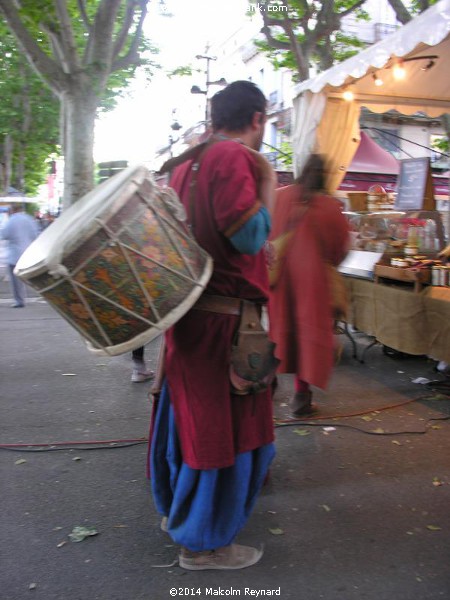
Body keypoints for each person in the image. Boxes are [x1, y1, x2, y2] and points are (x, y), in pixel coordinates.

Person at [149, 80, 277, 570]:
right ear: (258, 118)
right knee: (227, 431)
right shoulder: (235, 158)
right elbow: (248, 236)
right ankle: (204, 544)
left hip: (189, 319)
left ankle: (179, 515)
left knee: (189, 422)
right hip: (227, 326)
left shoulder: (185, 162)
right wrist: (266, 185)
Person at [268, 154, 350, 417]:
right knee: (307, 337)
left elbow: (265, 233)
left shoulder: (280, 197)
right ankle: (301, 398)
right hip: (313, 284)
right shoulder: (330, 206)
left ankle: (265, 385)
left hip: (279, 278)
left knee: (277, 332)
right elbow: (340, 249)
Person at [1, 203, 39, 308]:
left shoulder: (11, 220)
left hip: (15, 254)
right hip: (28, 253)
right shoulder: (29, 219)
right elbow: (35, 235)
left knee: (16, 280)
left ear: (12, 210)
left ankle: (20, 300)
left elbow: (4, 235)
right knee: (30, 277)